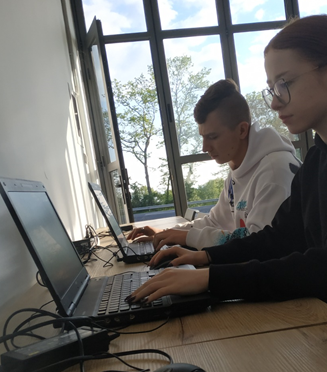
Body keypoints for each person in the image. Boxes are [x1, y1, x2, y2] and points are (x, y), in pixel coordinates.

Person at [125, 14, 327, 369]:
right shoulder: (320, 158)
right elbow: (281, 238)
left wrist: (210, 279)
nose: (275, 102)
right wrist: (206, 259)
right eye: (271, 89)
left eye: (284, 84)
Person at [127, 79, 301, 250]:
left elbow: (259, 245)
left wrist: (188, 238)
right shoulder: (237, 172)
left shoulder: (275, 172)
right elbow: (214, 222)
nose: (205, 147)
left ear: (242, 130)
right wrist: (167, 233)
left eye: (213, 137)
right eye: (203, 137)